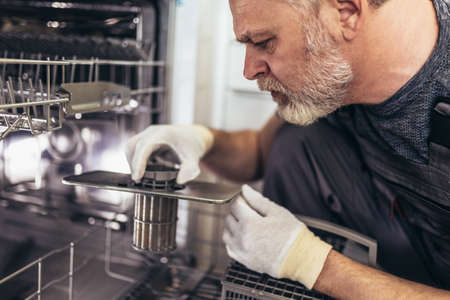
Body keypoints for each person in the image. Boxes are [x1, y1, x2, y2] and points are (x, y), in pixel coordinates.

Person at [126, 0, 450, 298]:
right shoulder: (338, 71)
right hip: (409, 239)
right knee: (296, 140)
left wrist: (313, 265)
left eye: (264, 42)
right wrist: (199, 141)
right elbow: (258, 152)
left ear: (347, 13)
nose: (249, 69)